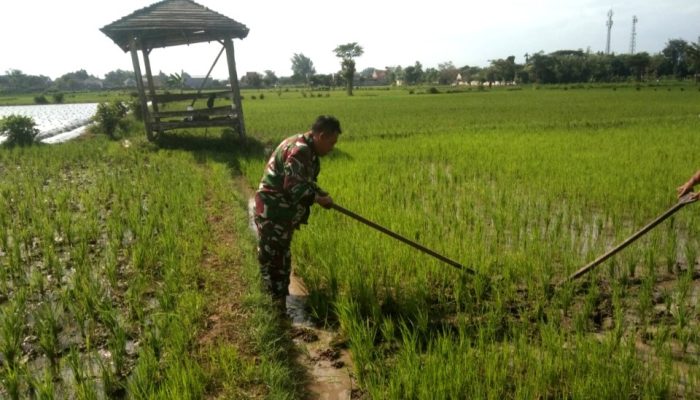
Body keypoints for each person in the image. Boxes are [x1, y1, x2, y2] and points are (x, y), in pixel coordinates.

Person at [254, 115, 341, 311]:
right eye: (332, 142)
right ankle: (271, 311)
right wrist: (318, 199)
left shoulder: (302, 145)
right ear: (321, 136)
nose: (333, 147)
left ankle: (279, 308)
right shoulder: (300, 150)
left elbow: (302, 180)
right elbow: (293, 186)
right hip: (273, 214)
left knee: (280, 260)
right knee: (273, 264)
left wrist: (318, 192)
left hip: (279, 214)